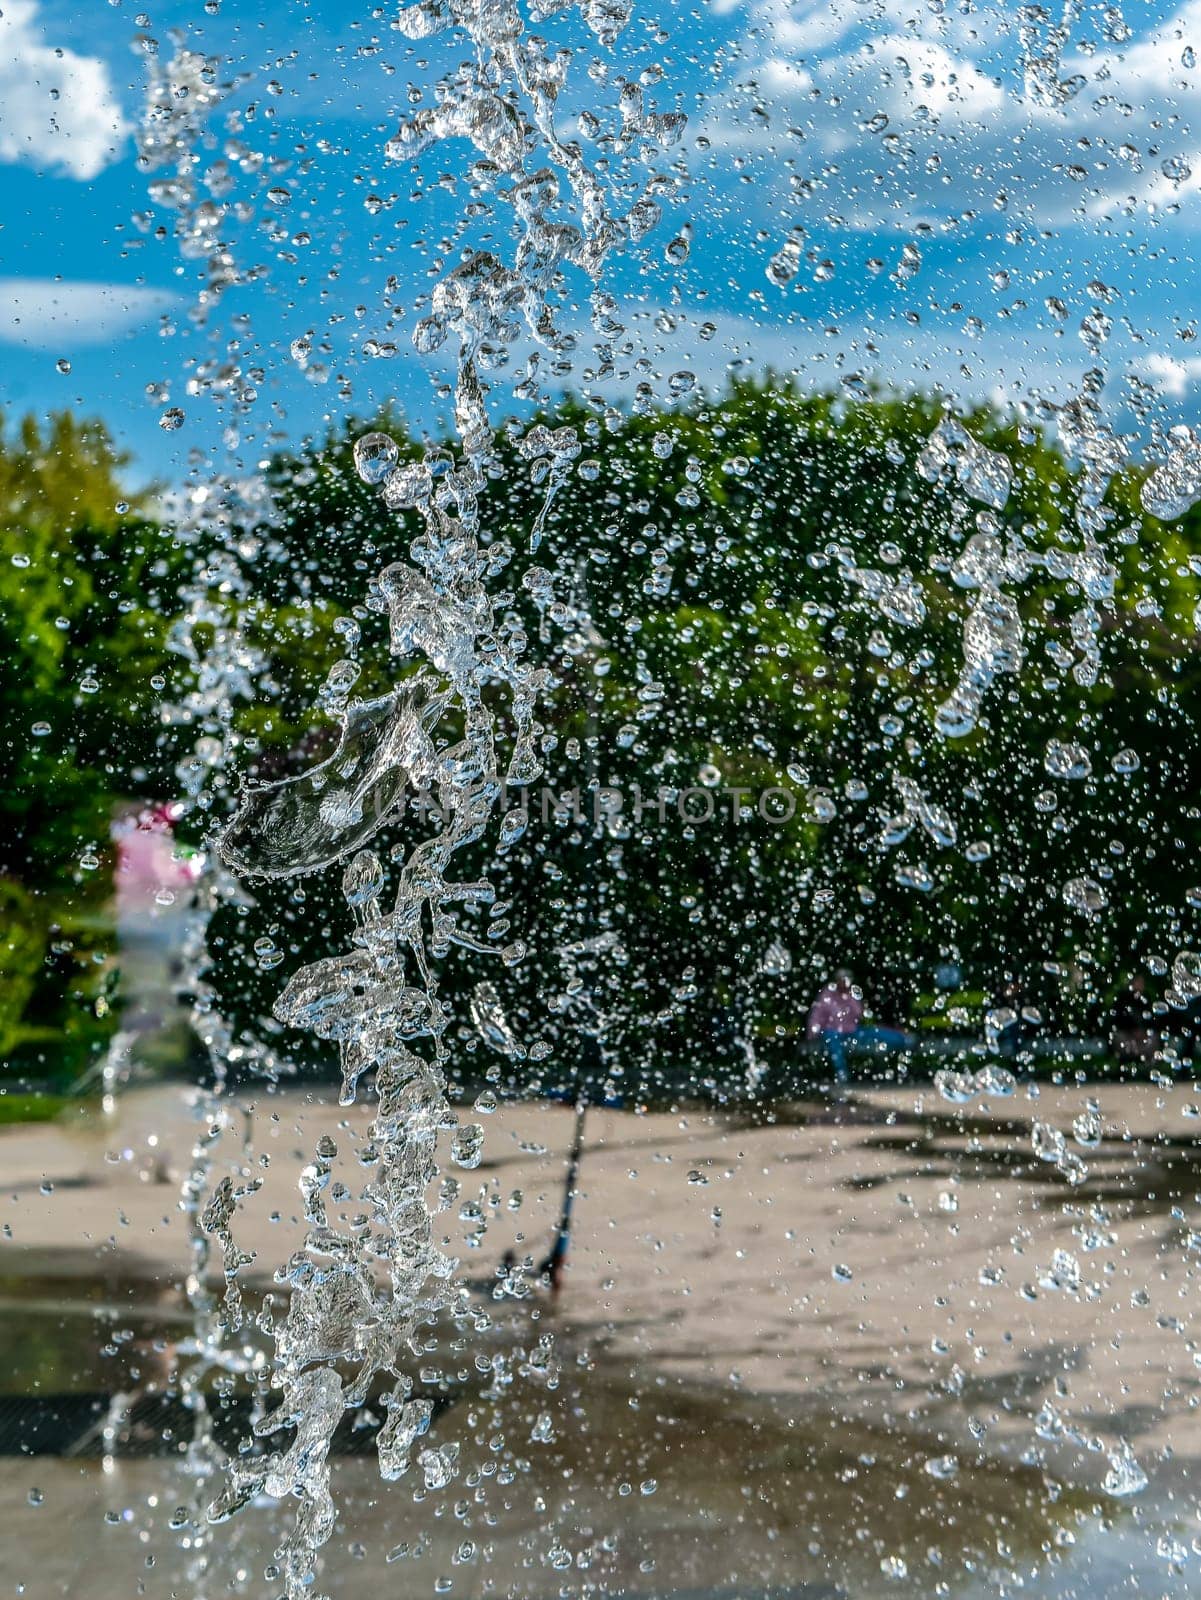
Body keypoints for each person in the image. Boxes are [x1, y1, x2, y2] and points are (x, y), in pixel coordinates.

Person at [806, 970, 912, 1084]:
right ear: (836, 981)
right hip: (832, 1031)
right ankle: (841, 1072)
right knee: (833, 1040)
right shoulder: (827, 994)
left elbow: (858, 1013)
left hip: (852, 1030)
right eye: (842, 980)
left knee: (875, 1033)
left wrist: (849, 996)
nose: (844, 983)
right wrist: (812, 1032)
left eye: (847, 980)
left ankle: (902, 1040)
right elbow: (816, 1014)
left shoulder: (852, 993)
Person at [1112, 974, 1157, 1062]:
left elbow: (1151, 1020)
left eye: (1142, 983)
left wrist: (1143, 1031)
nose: (1141, 985)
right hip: (1127, 1034)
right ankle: (1125, 1063)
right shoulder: (1123, 998)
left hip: (1143, 1035)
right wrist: (1132, 1031)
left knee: (1153, 1038)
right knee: (1120, 1038)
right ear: (1132, 984)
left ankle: (1148, 1066)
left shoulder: (1145, 999)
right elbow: (1119, 1019)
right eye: (1138, 982)